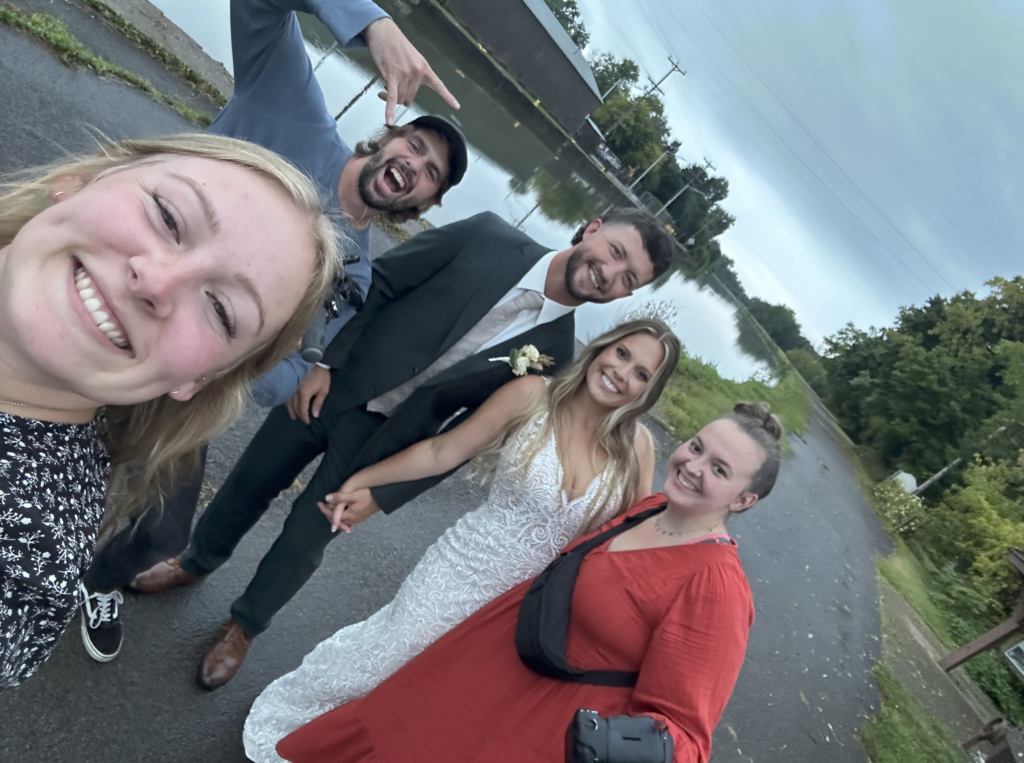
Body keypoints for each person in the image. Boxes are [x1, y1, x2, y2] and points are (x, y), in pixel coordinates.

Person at [134, 203, 676, 690]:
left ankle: (244, 627)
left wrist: (387, 493)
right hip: (332, 388)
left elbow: (465, 439)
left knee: (307, 536)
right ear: (595, 228)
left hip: (388, 444)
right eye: (615, 253)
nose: (610, 274)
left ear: (627, 294)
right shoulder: (486, 235)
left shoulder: (557, 358)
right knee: (250, 482)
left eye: (629, 278)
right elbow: (379, 285)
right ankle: (197, 559)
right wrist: (321, 360)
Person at [77, 0, 467, 664]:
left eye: (432, 175)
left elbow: (292, 373)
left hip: (187, 381)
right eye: (418, 146)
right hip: (111, 295)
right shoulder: (290, 105)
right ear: (389, 132)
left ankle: (89, 581)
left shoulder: (356, 273)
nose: (417, 165)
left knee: (162, 533)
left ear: (422, 205)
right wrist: (374, 24)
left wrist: (265, 358)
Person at [242, 318, 682, 761]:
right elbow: (442, 451)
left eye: (641, 373)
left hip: (523, 610)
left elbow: (628, 539)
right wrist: (366, 481)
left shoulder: (637, 449)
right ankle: (297, 735)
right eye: (622, 354)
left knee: (436, 696)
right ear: (603, 347)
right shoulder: (532, 394)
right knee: (387, 658)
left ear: (649, 390)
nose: (622, 373)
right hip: (462, 571)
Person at [0, 132, 341, 689]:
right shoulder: (303, 115)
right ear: (82, 180)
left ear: (199, 380)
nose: (156, 281)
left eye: (221, 311)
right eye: (167, 216)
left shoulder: (24, 556)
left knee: (165, 533)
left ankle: (101, 584)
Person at [272, 403, 782, 763]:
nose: (692, 466)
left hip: (529, 732)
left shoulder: (716, 588)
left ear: (743, 500)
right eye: (695, 447)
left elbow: (685, 735)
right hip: (479, 676)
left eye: (718, 469)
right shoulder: (652, 507)